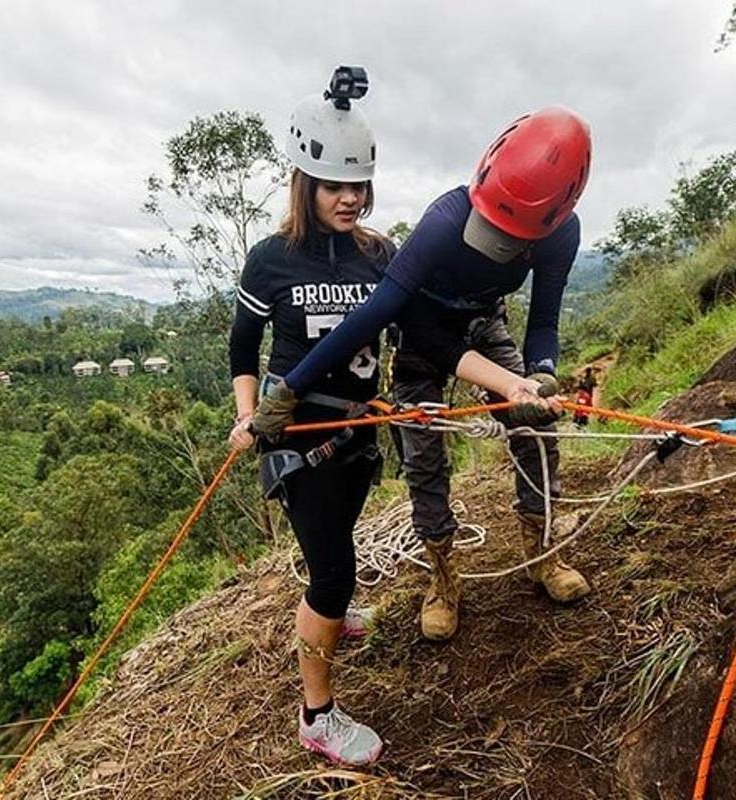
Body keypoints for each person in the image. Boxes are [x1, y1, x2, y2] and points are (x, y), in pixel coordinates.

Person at [251, 106, 595, 642]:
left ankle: (544, 552)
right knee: (423, 449)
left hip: (484, 323)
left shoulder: (560, 235)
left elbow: (544, 321)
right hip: (421, 329)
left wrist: (541, 375)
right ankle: (442, 576)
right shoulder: (444, 222)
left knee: (535, 429)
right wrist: (293, 385)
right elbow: (377, 313)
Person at [227, 67, 390, 767]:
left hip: (359, 430)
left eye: (359, 186)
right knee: (330, 573)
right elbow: (242, 347)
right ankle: (316, 716)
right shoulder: (272, 260)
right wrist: (248, 418)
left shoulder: (379, 255)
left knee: (341, 539)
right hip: (297, 438)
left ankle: (335, 607)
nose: (350, 199)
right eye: (335, 187)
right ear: (305, 184)